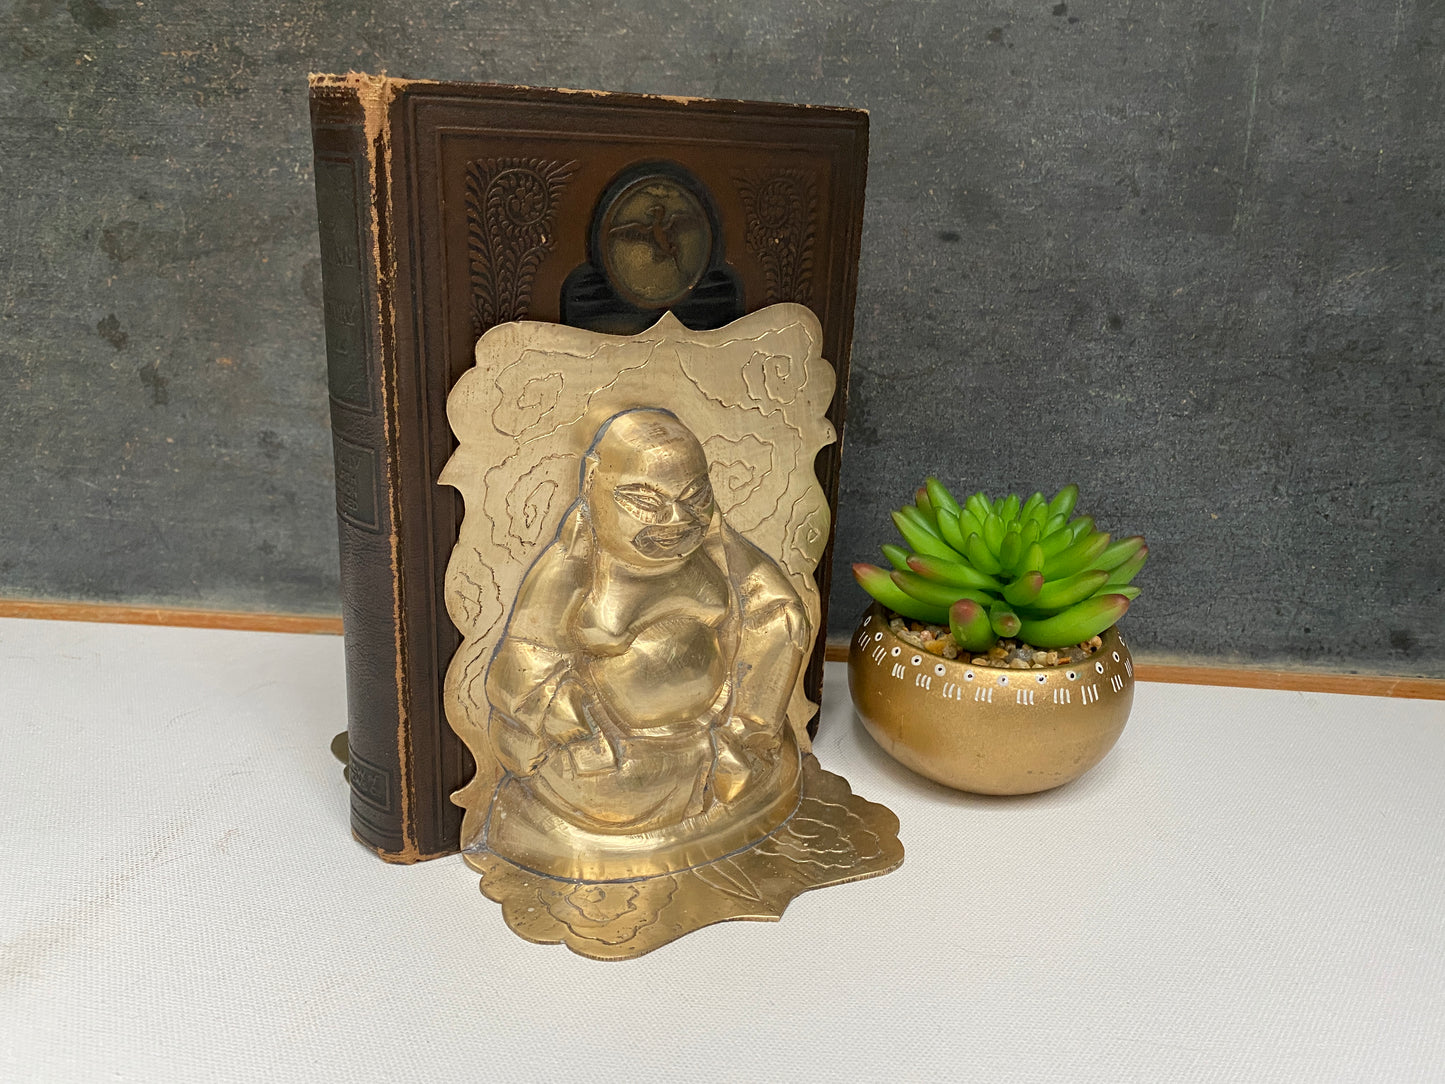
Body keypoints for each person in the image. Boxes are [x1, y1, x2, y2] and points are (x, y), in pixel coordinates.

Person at [482, 408, 809, 879]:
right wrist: (570, 717)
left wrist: (747, 721)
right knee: (614, 792)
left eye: (695, 496)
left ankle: (736, 749)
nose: (676, 519)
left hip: (720, 726)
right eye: (644, 500)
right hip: (619, 757)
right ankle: (708, 771)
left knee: (784, 621)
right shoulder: (573, 565)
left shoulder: (712, 541)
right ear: (593, 483)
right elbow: (523, 665)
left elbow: (770, 601)